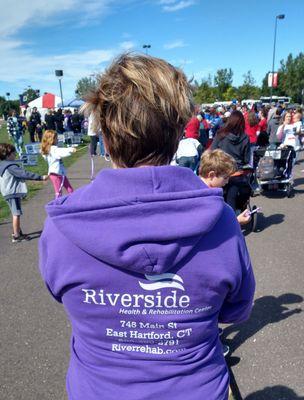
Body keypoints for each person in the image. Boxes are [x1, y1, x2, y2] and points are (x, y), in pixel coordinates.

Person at [39, 54, 255, 400]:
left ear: (106, 139)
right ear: (176, 137)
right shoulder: (222, 223)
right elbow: (236, 310)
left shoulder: (62, 228)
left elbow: (62, 295)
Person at [0, 143, 47, 242]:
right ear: (8, 155)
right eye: (14, 153)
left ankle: (17, 231)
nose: (15, 155)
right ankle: (16, 236)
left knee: (15, 212)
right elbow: (24, 174)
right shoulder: (10, 166)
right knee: (16, 214)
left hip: (7, 192)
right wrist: (40, 177)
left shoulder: (2, 165)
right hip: (13, 193)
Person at [211, 110, 251, 211]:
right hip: (237, 172)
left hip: (221, 170)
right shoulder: (245, 137)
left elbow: (212, 151)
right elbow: (246, 159)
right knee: (234, 195)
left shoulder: (220, 134)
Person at [199, 149, 251, 225]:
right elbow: (212, 226)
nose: (227, 181)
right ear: (211, 175)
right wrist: (237, 221)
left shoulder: (196, 187)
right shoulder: (209, 198)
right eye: (225, 178)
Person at [41, 130, 75, 198]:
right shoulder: (53, 149)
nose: (58, 139)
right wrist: (71, 150)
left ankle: (74, 201)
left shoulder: (50, 149)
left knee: (70, 189)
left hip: (60, 173)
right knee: (58, 192)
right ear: (52, 139)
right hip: (55, 174)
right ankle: (57, 205)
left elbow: (60, 152)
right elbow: (61, 152)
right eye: (56, 138)